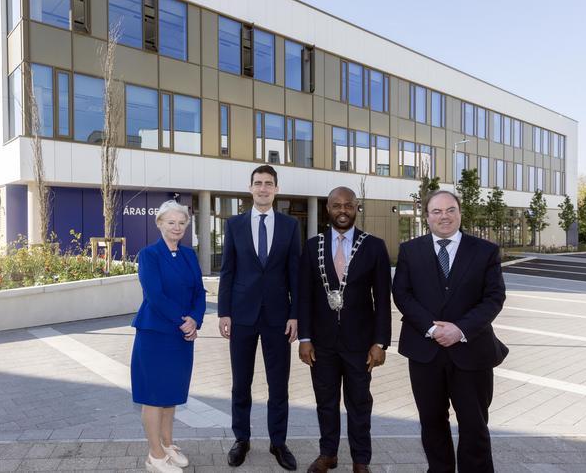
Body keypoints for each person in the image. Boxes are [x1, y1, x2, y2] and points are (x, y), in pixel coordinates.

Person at [392, 190, 508, 472]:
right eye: (437, 211)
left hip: (471, 351)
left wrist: (460, 329)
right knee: (431, 422)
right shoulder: (410, 250)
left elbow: (494, 297)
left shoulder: (485, 251)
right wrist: (432, 328)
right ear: (427, 216)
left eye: (450, 210)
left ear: (459, 213)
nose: (444, 216)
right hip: (425, 352)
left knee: (474, 424)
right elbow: (402, 294)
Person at [297, 187, 391, 473]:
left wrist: (380, 342)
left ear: (356, 207)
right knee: (325, 402)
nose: (342, 210)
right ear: (328, 208)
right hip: (321, 344)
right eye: (336, 205)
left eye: (348, 205)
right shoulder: (313, 246)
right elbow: (304, 296)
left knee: (359, 404)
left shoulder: (374, 246)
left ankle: (361, 460)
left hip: (360, 344)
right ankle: (328, 454)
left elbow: (382, 299)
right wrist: (305, 338)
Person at [218, 165, 301, 470]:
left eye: (269, 184)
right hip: (241, 315)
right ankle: (242, 439)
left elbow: (295, 273)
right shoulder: (235, 224)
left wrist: (295, 314)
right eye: (258, 183)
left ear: (276, 189)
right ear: (250, 188)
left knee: (278, 385)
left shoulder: (290, 225)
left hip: (279, 317)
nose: (263, 188)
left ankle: (278, 443)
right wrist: (223, 311)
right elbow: (227, 270)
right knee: (241, 383)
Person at [131, 200, 206, 473]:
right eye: (171, 222)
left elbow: (199, 291)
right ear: (160, 223)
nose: (177, 227)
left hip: (181, 335)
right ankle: (154, 455)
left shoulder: (188, 255)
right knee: (153, 396)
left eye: (181, 223)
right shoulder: (149, 255)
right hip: (156, 334)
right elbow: (155, 295)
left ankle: (167, 444)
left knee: (170, 394)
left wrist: (195, 319)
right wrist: (182, 321)